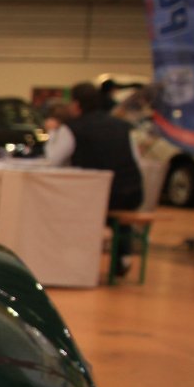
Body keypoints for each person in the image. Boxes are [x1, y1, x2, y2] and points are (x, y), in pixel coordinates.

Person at [64, 81, 145, 275]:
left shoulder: (73, 127)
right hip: (132, 192)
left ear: (76, 104)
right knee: (120, 215)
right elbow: (137, 160)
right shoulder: (122, 126)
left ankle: (76, 261)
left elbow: (55, 159)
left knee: (70, 207)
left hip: (97, 196)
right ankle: (123, 257)